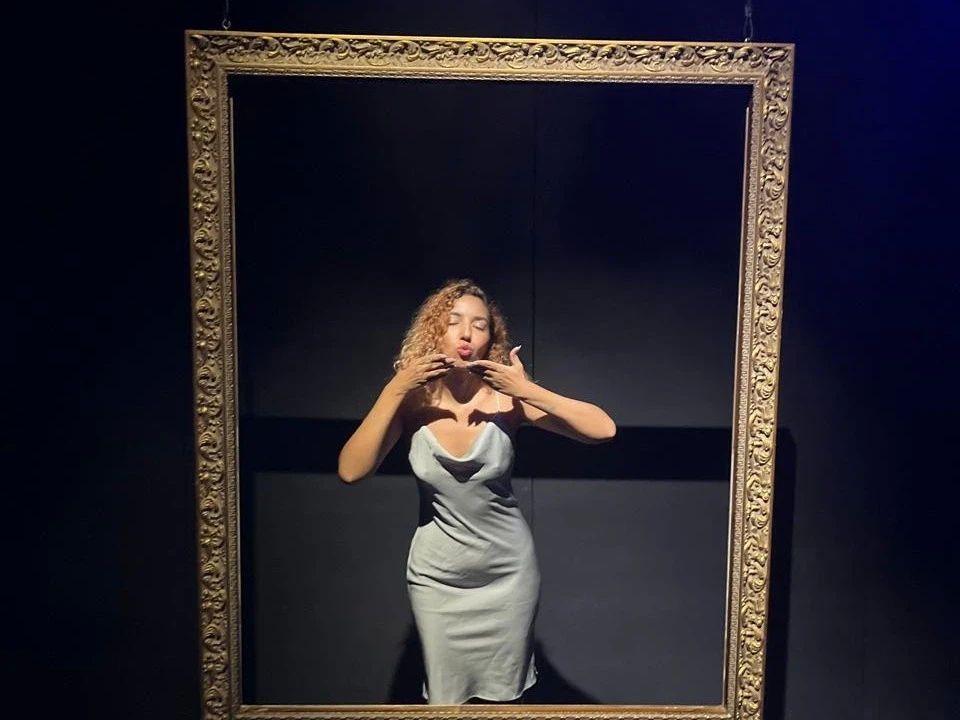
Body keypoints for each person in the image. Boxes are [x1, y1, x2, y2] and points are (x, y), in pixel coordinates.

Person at [338, 278, 617, 705]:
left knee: (505, 701)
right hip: (437, 578)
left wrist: (526, 390)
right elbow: (351, 470)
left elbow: (603, 429)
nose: (466, 334)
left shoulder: (506, 402)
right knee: (445, 701)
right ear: (434, 331)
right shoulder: (413, 404)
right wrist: (396, 388)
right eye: (453, 322)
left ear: (491, 339)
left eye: (480, 325)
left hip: (507, 574)